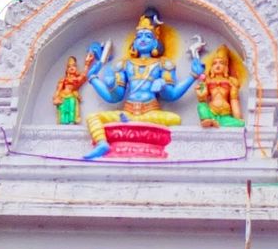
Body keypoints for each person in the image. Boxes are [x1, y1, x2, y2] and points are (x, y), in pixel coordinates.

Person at [82, 8, 205, 158]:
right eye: (139, 36)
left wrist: (189, 77)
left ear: (155, 42)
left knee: (175, 119)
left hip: (151, 112)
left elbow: (171, 95)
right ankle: (102, 143)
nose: (142, 39)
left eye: (148, 36)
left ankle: (129, 125)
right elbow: (114, 98)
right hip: (127, 111)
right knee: (92, 118)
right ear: (134, 42)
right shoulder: (124, 64)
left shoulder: (163, 64)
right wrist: (103, 82)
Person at [196, 46, 244, 128]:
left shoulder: (231, 82)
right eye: (215, 63)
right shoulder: (207, 81)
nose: (217, 66)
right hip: (211, 112)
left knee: (240, 124)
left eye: (221, 63)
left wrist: (238, 118)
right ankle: (208, 120)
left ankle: (216, 123)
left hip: (225, 114)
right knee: (201, 105)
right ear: (211, 68)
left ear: (226, 67)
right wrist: (201, 95)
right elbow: (202, 99)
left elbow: (234, 100)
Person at [52, 55, 88, 124]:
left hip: (72, 96)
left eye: (74, 66)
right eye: (69, 66)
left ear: (76, 68)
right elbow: (58, 90)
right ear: (67, 69)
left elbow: (83, 76)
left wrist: (87, 63)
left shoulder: (76, 79)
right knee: (63, 112)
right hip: (62, 97)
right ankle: (63, 123)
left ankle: (72, 123)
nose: (71, 68)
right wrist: (55, 99)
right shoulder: (63, 80)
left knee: (72, 110)